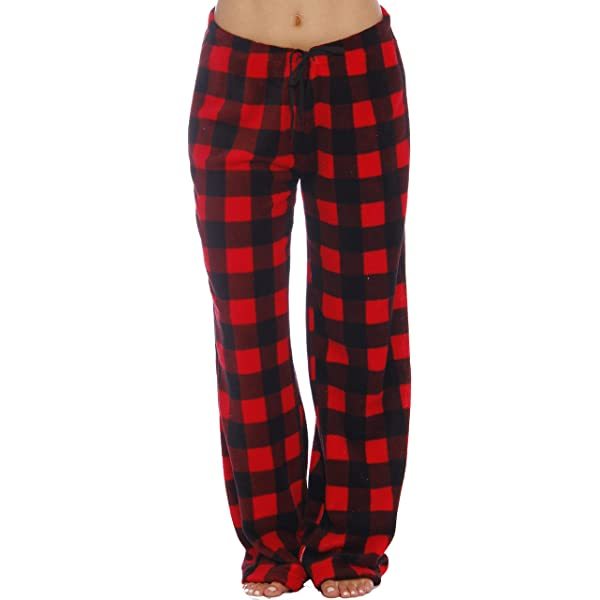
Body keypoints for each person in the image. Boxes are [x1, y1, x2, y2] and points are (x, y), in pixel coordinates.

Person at [187, 1, 411, 597]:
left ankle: (350, 538)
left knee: (363, 322)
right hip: (237, 74)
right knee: (245, 327)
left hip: (359, 67)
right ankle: (271, 541)